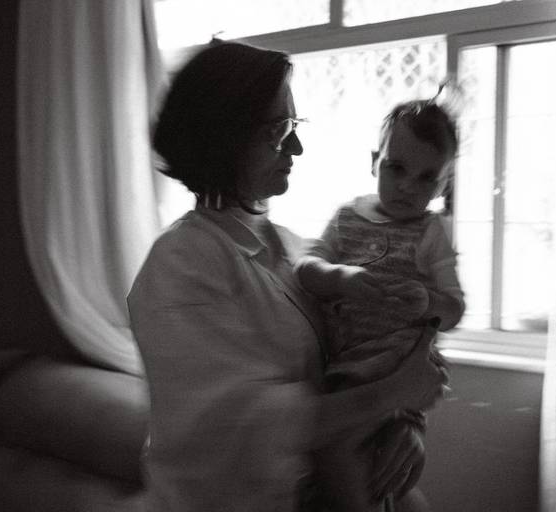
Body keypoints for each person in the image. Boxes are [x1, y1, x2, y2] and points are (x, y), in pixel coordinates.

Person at [127, 40, 448, 512]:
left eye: (295, 126)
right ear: (224, 137)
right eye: (279, 129)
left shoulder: (298, 250)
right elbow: (246, 426)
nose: (296, 146)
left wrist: (402, 425)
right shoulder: (180, 262)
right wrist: (391, 394)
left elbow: (355, 357)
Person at [294, 94, 466, 511]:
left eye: (426, 177)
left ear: (443, 184)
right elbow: (305, 267)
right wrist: (340, 277)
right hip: (350, 374)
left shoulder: (432, 233)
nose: (408, 186)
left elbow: (454, 309)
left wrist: (427, 300)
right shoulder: (346, 219)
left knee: (366, 462)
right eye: (396, 168)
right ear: (375, 162)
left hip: (402, 371)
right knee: (358, 464)